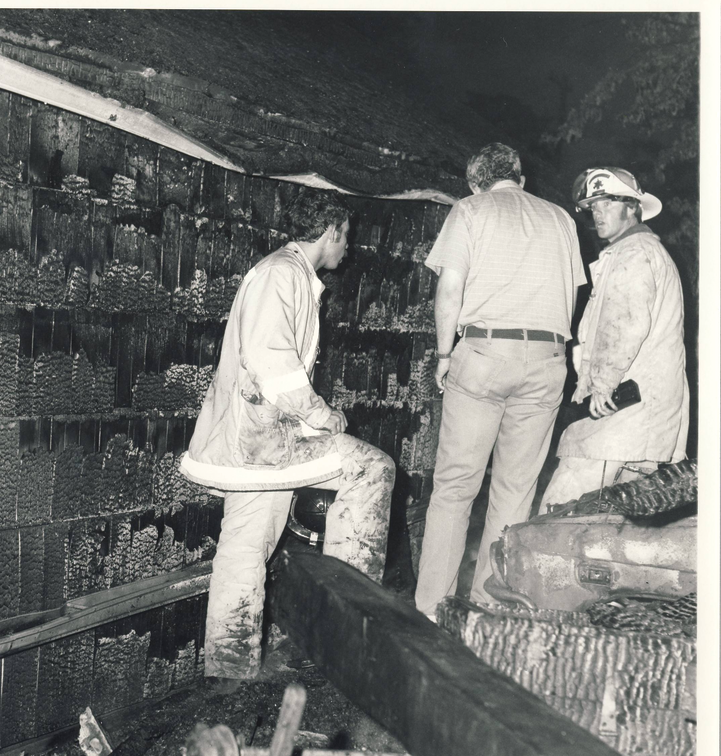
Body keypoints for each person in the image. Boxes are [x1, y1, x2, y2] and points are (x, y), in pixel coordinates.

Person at [179, 189, 395, 683]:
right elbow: (271, 361)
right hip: (263, 440)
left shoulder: (287, 273)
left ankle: (228, 669)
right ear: (331, 229)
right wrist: (319, 414)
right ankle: (346, 633)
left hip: (255, 440)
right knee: (372, 469)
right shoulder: (283, 274)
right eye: (347, 236)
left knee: (245, 544)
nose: (349, 247)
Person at [414, 143, 586, 620]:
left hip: (486, 353)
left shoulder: (469, 211)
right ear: (520, 178)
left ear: (475, 183)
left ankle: (433, 608)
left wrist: (446, 353)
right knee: (515, 492)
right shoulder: (561, 219)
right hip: (548, 359)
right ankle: (490, 609)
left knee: (455, 488)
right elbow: (571, 298)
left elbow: (449, 290)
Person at [540, 167, 689, 508]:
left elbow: (623, 325)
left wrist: (602, 385)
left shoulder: (634, 255)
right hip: (641, 409)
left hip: (623, 408)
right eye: (593, 206)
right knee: (618, 517)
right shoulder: (636, 252)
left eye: (607, 204)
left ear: (632, 207)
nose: (597, 213)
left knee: (561, 506)